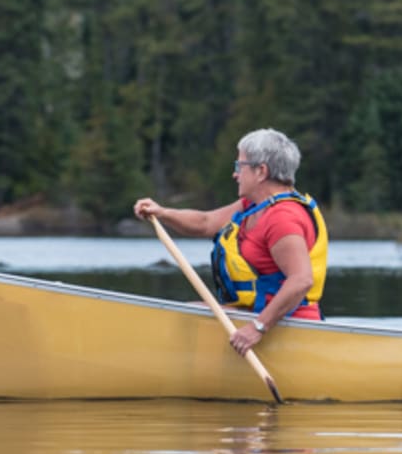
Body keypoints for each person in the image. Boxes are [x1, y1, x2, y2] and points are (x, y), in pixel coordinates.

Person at [134, 128, 328, 355]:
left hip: (287, 325)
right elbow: (205, 223)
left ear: (260, 171)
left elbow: (301, 280)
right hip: (252, 314)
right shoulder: (254, 206)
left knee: (186, 318)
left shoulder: (283, 218)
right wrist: (162, 213)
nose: (235, 174)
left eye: (239, 166)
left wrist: (257, 328)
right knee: (185, 314)